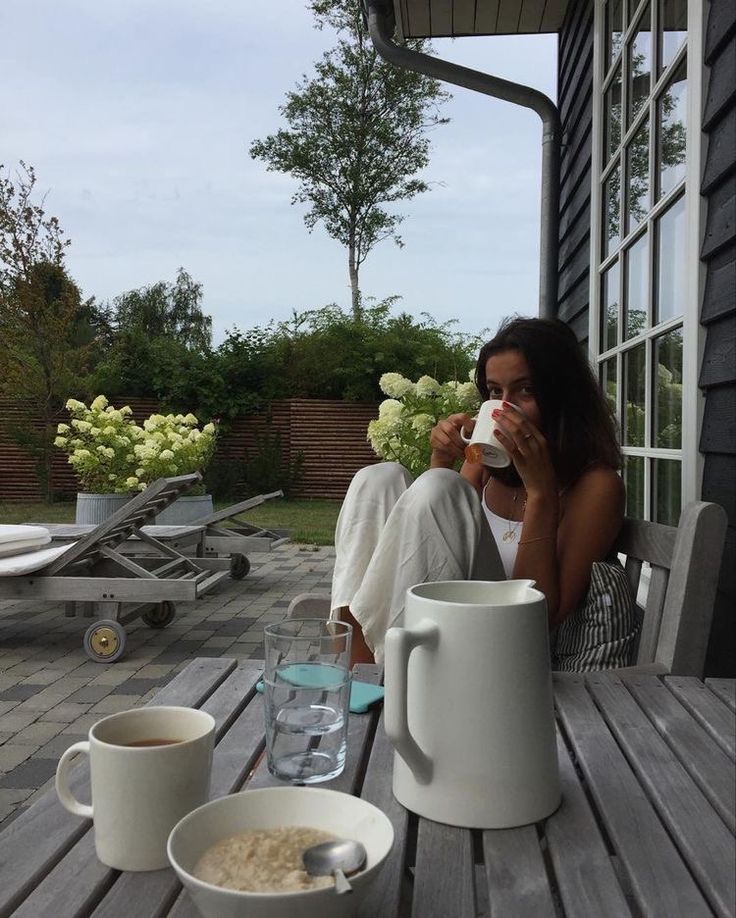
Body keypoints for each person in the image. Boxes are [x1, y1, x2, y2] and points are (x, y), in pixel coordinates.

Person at [331, 316, 636, 669]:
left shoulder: (597, 486)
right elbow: (431, 542)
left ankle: (390, 677)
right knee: (379, 478)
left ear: (563, 396)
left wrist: (541, 492)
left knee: (442, 485)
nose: (506, 407)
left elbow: (540, 618)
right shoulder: (485, 465)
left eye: (527, 390)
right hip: (449, 628)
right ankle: (355, 667)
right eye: (495, 392)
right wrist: (442, 458)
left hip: (510, 649)